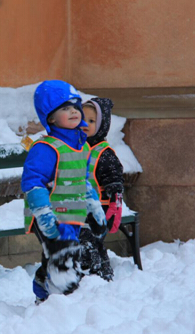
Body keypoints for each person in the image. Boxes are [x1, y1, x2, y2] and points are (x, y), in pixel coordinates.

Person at [22, 80, 107, 304]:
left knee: (68, 256)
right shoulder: (46, 148)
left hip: (74, 214)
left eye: (75, 106)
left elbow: (84, 181)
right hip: (51, 215)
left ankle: (45, 290)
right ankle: (61, 305)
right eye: (64, 108)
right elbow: (33, 183)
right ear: (50, 118)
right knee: (63, 260)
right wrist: (43, 214)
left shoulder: (83, 146)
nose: (73, 111)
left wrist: (94, 207)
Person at [81, 97, 124, 281]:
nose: (85, 124)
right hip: (80, 206)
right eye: (82, 119)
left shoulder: (104, 153)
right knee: (85, 241)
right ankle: (92, 272)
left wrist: (114, 194)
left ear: (101, 125)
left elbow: (114, 175)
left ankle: (100, 273)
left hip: (101, 207)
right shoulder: (77, 147)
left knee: (91, 241)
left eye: (91, 121)